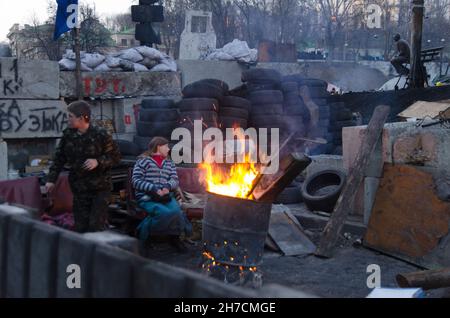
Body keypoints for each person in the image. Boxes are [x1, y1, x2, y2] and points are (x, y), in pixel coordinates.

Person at [45, 101, 121, 233]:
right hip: (79, 188)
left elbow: (115, 157)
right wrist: (51, 180)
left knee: (96, 226)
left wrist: (98, 161)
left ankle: (99, 252)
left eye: (70, 116)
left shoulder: (101, 135)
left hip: (99, 188)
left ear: (81, 118)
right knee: (81, 226)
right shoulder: (68, 135)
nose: (67, 119)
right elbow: (59, 158)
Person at [132, 137, 192, 252]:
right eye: (166, 146)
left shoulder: (169, 163)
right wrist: (153, 188)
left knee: (177, 213)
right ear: (159, 146)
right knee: (164, 213)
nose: (168, 149)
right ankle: (143, 234)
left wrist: (167, 187)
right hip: (147, 198)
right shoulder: (143, 161)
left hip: (165, 197)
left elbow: (175, 180)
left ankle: (174, 238)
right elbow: (135, 181)